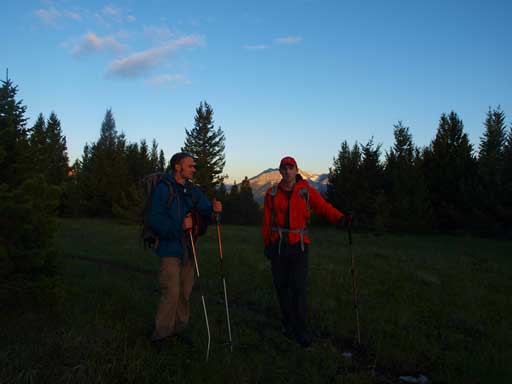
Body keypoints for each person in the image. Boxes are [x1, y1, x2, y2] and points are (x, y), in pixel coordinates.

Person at [262, 156, 350, 348]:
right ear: (280, 171)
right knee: (281, 288)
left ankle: (301, 330)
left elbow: (323, 207)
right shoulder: (272, 193)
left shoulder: (306, 191)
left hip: (299, 247)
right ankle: (287, 323)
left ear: (296, 170)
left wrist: (340, 218)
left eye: (290, 168)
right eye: (283, 169)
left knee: (299, 289)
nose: (287, 172)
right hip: (277, 246)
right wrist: (267, 244)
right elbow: (267, 222)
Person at [148, 152, 222, 346]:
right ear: (178, 167)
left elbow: (205, 207)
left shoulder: (191, 189)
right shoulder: (163, 189)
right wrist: (179, 226)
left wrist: (214, 208)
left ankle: (179, 329)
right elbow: (154, 220)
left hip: (189, 248)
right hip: (169, 249)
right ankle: (161, 336)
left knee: (184, 292)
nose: (194, 169)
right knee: (171, 292)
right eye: (190, 165)